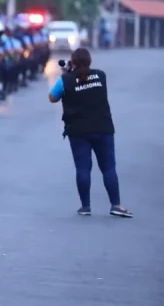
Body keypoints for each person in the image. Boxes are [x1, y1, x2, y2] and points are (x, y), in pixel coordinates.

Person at [48, 48, 132, 218]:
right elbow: (87, 81)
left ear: (73, 62)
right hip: (103, 128)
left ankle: (85, 206)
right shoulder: (101, 76)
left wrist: (68, 74)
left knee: (83, 168)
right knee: (108, 168)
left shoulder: (66, 80)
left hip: (78, 131)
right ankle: (116, 205)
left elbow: (52, 97)